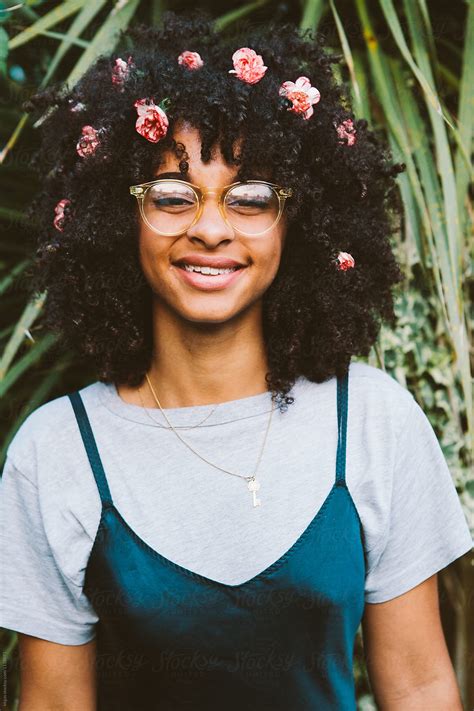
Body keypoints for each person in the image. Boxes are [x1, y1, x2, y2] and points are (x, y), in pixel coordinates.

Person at [0, 10, 472, 711]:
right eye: (171, 195)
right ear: (117, 217)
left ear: (299, 220)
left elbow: (424, 687)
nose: (211, 227)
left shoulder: (372, 422)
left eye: (251, 198)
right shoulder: (56, 454)